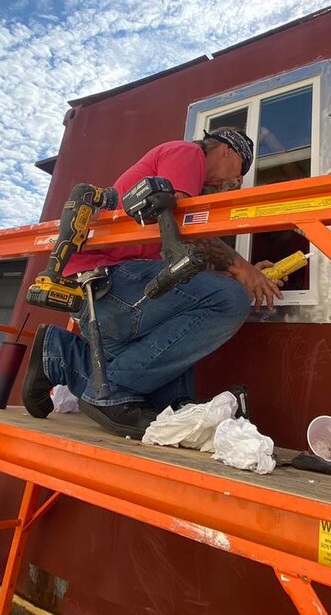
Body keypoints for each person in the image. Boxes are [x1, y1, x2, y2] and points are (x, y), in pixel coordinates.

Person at [22, 128, 284, 438]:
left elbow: (181, 254)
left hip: (107, 294)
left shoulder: (179, 174)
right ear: (227, 150)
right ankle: (110, 390)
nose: (239, 180)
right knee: (230, 301)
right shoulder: (187, 153)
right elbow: (183, 227)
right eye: (242, 169)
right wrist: (243, 272)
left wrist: (242, 271)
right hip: (107, 282)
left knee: (163, 406)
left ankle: (58, 353)